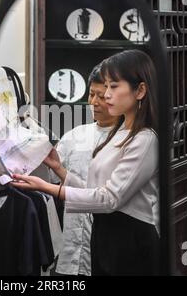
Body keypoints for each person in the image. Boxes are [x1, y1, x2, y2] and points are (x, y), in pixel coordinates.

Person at [11, 50, 160, 275]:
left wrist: (46, 187)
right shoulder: (119, 134)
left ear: (140, 91)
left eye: (113, 87)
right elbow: (95, 191)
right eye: (101, 90)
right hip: (106, 238)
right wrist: (59, 169)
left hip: (128, 241)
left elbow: (109, 199)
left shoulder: (145, 139)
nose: (104, 97)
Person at [49, 64, 120, 276]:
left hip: (111, 250)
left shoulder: (130, 140)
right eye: (91, 95)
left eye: (102, 96)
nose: (94, 102)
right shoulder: (74, 136)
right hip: (71, 248)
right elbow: (54, 178)